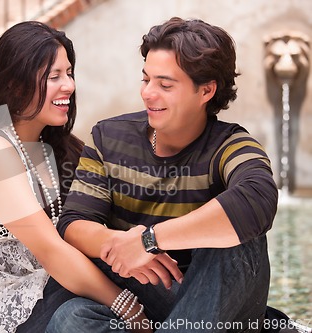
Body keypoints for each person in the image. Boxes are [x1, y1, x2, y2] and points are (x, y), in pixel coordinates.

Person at [48, 17, 279, 332]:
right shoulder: (108, 137)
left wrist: (149, 240)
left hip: (214, 301)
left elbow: (257, 199)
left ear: (206, 91)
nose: (148, 94)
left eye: (165, 85)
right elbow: (74, 223)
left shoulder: (230, 145)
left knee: (239, 236)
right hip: (146, 301)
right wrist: (122, 243)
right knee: (72, 318)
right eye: (146, 80)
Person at [0, 21, 148, 332]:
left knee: (131, 258)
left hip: (48, 292)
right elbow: (52, 251)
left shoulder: (58, 147)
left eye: (69, 73)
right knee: (121, 275)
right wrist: (130, 309)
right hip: (2, 312)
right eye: (54, 77)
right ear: (14, 85)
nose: (69, 86)